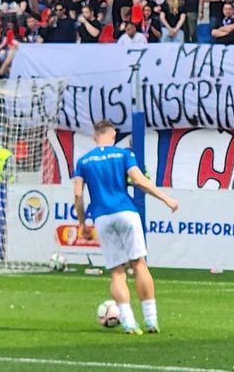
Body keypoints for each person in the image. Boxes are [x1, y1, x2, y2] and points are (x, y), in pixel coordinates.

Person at [73, 119, 179, 335]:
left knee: (117, 272)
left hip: (102, 216)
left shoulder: (83, 161)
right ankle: (151, 320)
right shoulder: (124, 155)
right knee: (139, 264)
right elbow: (139, 181)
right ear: (113, 135)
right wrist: (166, 198)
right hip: (126, 212)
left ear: (95, 136)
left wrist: (82, 223)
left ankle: (129, 322)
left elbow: (77, 194)